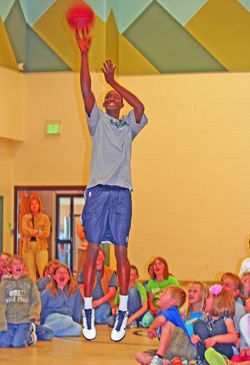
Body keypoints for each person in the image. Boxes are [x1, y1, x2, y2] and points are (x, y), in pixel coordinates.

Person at [74, 28, 148, 342]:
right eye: (109, 97)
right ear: (104, 106)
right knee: (92, 251)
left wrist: (115, 81)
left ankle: (121, 314)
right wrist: (84, 53)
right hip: (98, 190)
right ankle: (88, 310)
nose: (112, 98)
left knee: (121, 252)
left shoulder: (129, 125)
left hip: (122, 192)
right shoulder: (98, 121)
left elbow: (141, 107)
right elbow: (86, 90)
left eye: (115, 96)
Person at [135, 286, 196, 365]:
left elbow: (160, 320)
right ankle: (168, 362)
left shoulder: (172, 311)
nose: (160, 295)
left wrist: (151, 328)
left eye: (164, 293)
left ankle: (158, 358)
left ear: (172, 302)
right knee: (139, 355)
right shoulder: (160, 312)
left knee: (167, 324)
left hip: (184, 348)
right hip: (170, 351)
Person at [0, 255, 41, 348]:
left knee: (17, 344)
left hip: (24, 320)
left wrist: (34, 314)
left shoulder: (30, 282)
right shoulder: (4, 283)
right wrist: (2, 320)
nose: (18, 266)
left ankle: (29, 333)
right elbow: (1, 303)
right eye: (15, 264)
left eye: (21, 264)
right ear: (10, 267)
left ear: (24, 267)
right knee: (3, 343)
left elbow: (36, 300)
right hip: (9, 321)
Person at [192, 283, 238, 364]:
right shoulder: (206, 318)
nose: (204, 300)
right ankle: (202, 359)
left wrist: (215, 339)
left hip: (223, 351)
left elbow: (234, 337)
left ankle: (219, 361)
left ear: (217, 301)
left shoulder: (226, 318)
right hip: (207, 350)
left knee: (219, 325)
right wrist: (194, 336)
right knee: (199, 324)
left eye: (208, 297)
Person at [40, 264, 83, 337]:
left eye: (65, 273)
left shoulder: (75, 291)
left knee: (78, 329)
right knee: (67, 320)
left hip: (68, 320)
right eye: (59, 272)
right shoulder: (47, 292)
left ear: (69, 277)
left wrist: (76, 322)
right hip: (51, 319)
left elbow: (77, 309)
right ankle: (42, 328)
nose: (62, 274)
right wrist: (42, 321)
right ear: (54, 277)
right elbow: (41, 308)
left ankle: (45, 332)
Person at [78, 247, 117, 324]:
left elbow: (112, 292)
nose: (97, 257)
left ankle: (112, 317)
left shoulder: (110, 272)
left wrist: (98, 302)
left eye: (99, 255)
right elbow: (80, 288)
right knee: (80, 318)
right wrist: (87, 302)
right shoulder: (85, 270)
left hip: (104, 302)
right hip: (87, 302)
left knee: (98, 319)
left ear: (104, 258)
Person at [142, 257, 179, 328]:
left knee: (164, 322)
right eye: (155, 264)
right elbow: (150, 301)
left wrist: (162, 310)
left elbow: (176, 299)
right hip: (155, 309)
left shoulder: (172, 280)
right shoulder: (151, 282)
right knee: (144, 323)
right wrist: (152, 309)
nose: (157, 266)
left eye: (159, 264)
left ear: (165, 266)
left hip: (168, 308)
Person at [22, 195, 51, 282]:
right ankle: (32, 292)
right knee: (30, 272)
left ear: (39, 205)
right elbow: (24, 230)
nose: (34, 205)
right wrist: (36, 231)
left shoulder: (45, 218)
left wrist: (34, 232)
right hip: (27, 247)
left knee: (43, 270)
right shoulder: (25, 217)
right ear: (29, 206)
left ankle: (43, 292)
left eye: (36, 203)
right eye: (32, 204)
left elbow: (46, 233)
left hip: (41, 247)